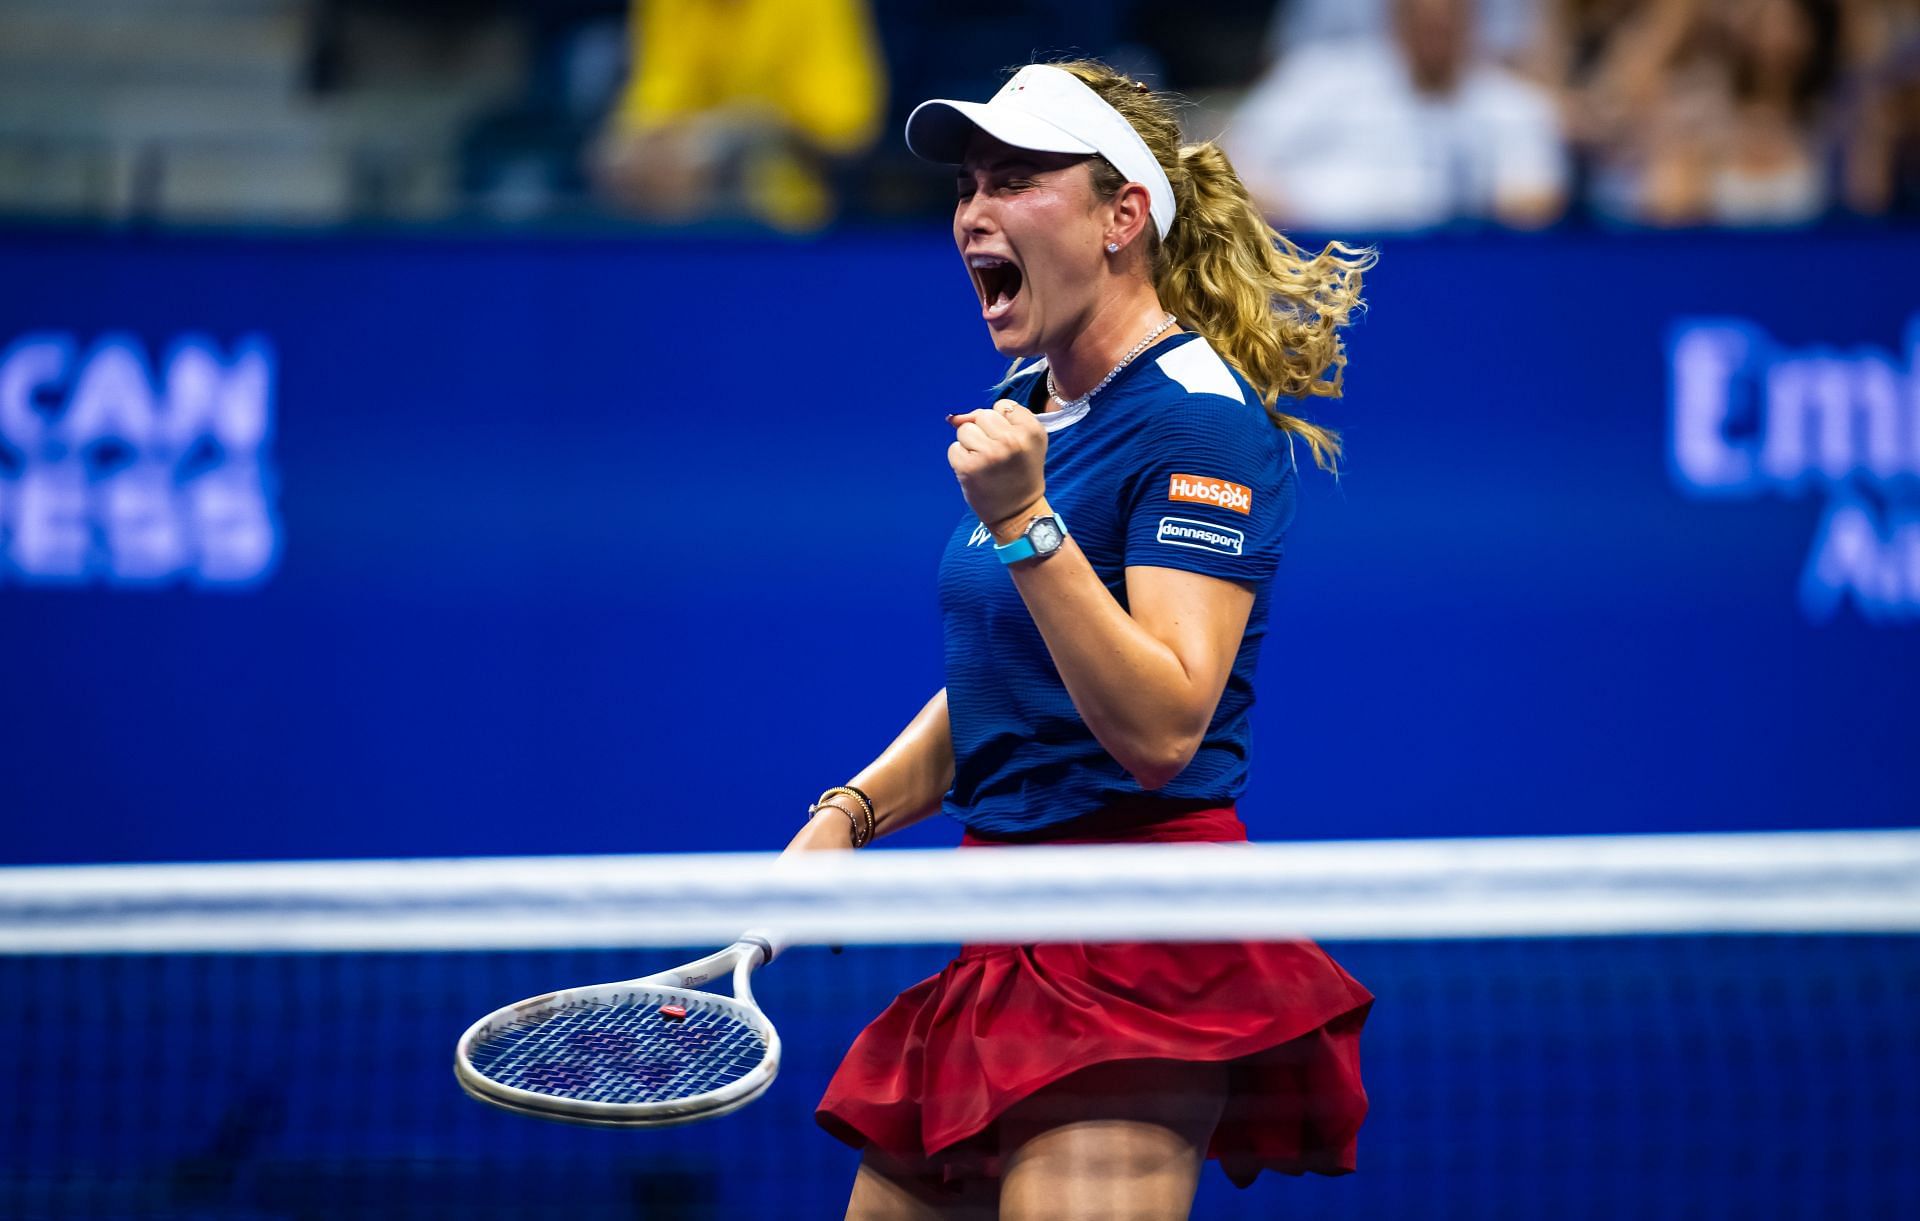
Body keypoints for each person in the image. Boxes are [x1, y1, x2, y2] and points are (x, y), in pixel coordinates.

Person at [782, 60, 1377, 1220]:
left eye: (1015, 178)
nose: (973, 212)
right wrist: (848, 816)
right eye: (968, 185)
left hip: (1137, 940)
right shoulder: (1036, 404)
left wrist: (1023, 519)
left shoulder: (1196, 418)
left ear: (1122, 217)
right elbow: (1012, 673)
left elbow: (1161, 725)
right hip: (1003, 925)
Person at [1227, 0, 1569, 230]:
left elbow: (1538, 198)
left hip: (1458, 273)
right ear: (1397, 18)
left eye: (1447, 25)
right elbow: (1231, 160)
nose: (1435, 38)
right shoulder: (1319, 77)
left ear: (1471, 23)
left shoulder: (1513, 104)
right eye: (1424, 25)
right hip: (1315, 257)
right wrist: (1295, 220)